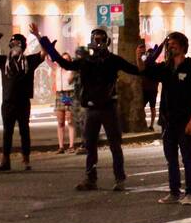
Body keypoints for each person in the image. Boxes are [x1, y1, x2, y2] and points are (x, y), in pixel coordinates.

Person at [33, 24, 141, 191]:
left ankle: (119, 178)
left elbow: (136, 70)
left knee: (115, 145)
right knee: (90, 145)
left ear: (107, 41)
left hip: (108, 108)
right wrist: (44, 42)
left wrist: (142, 58)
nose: (97, 42)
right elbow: (64, 64)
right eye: (94, 39)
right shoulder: (85, 62)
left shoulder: (113, 60)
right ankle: (91, 178)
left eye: (100, 39)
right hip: (91, 108)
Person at [143, 32, 191, 205]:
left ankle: (190, 193)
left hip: (185, 121)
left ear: (183, 46)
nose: (171, 46)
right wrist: (158, 49)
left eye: (174, 43)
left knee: (187, 158)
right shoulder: (166, 68)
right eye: (169, 44)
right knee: (171, 159)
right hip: (167, 121)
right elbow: (147, 68)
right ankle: (174, 192)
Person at [0, 31, 45, 172]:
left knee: (24, 131)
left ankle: (26, 159)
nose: (15, 47)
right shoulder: (4, 61)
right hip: (8, 103)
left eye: (18, 44)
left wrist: (37, 35)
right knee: (7, 132)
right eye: (12, 44)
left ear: (23, 46)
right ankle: (5, 160)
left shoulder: (29, 61)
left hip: (23, 102)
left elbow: (44, 53)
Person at [51, 54, 76, 154]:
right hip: (60, 94)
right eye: (63, 59)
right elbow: (48, 59)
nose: (65, 61)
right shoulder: (57, 68)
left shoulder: (72, 69)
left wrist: (71, 72)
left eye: (67, 59)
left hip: (68, 94)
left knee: (69, 120)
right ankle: (61, 146)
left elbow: (70, 81)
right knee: (60, 121)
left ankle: (71, 145)